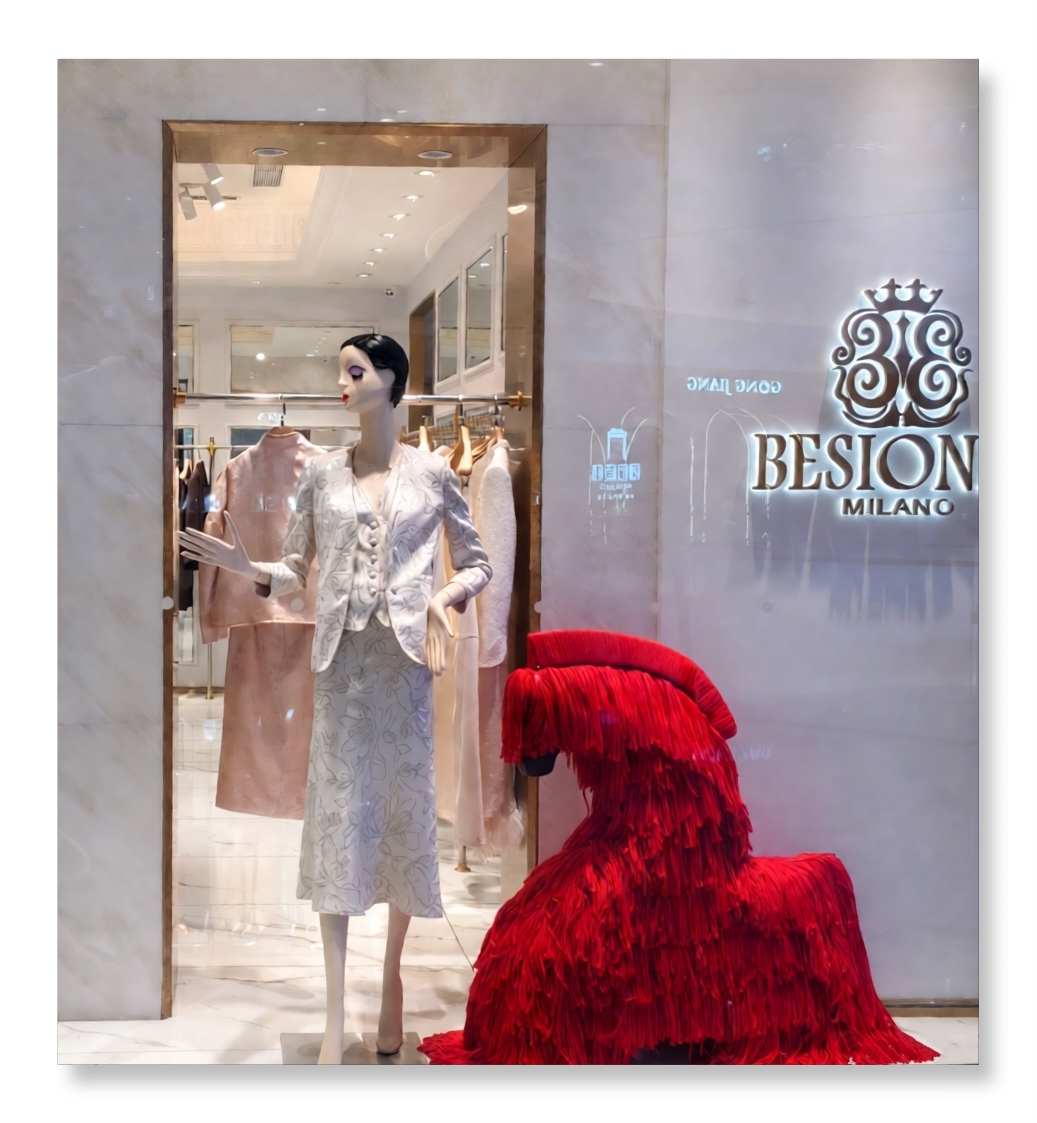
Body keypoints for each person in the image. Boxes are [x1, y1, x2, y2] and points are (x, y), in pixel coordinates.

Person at [179, 333, 491, 1063]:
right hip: (342, 672)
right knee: (337, 824)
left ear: (390, 378)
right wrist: (247, 566)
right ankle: (331, 1008)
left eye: (354, 371)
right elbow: (296, 568)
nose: (342, 383)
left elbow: (476, 563)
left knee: (402, 819)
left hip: (405, 672)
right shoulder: (322, 474)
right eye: (340, 372)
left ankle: (391, 984)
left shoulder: (434, 472)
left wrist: (443, 598)